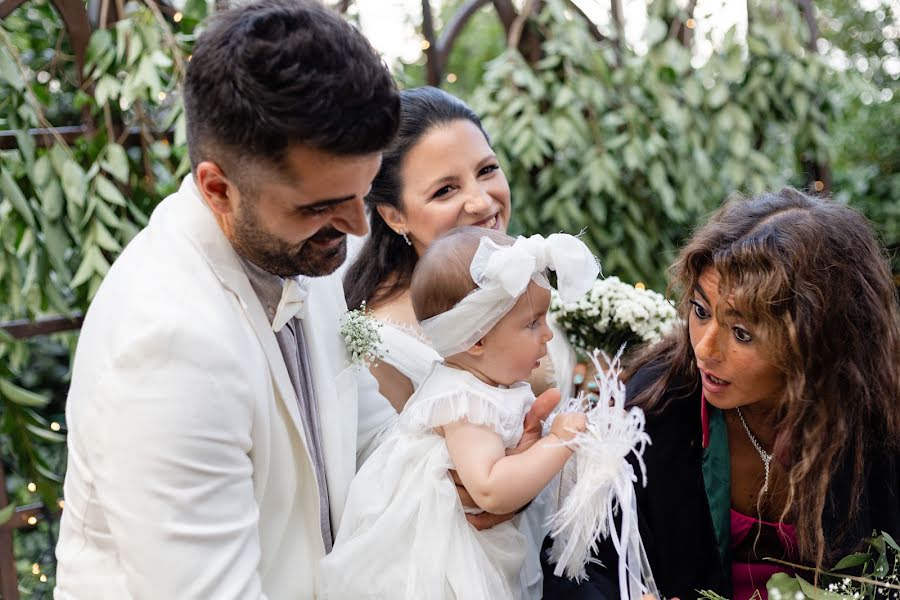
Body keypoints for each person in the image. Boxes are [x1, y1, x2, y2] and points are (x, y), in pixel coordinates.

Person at [55, 2, 403, 598]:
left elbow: (367, 437)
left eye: (363, 192)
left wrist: (470, 470)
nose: (356, 227)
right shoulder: (170, 348)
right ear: (218, 188)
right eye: (320, 206)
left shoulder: (295, 247)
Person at [542, 188, 900, 600]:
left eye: (742, 333)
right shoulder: (655, 406)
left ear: (818, 343)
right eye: (700, 311)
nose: (705, 349)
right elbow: (581, 565)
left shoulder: (876, 424)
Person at [341, 86, 579, 597]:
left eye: (487, 170)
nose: (480, 200)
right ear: (394, 216)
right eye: (445, 190)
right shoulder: (379, 342)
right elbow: (426, 493)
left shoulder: (519, 284)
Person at [321, 226, 598, 599]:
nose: (547, 334)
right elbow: (490, 489)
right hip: (435, 561)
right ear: (477, 339)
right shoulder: (465, 401)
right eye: (532, 323)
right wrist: (561, 442)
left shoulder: (484, 384)